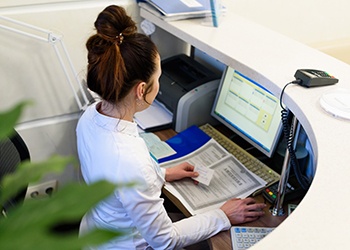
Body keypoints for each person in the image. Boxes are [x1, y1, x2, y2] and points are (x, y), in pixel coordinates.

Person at [76, 5, 266, 250]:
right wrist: (223, 215)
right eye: (158, 78)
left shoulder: (91, 116)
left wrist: (163, 174)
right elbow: (165, 241)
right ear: (142, 90)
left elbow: (115, 179)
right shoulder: (131, 161)